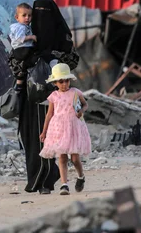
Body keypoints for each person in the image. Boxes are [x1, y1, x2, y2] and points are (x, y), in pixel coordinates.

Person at [14, 0, 79, 194]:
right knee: (32, 136)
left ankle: (48, 180)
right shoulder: (26, 35)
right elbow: (14, 63)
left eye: (46, 14)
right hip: (29, 97)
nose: (41, 20)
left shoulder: (62, 40)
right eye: (37, 13)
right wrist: (27, 59)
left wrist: (51, 58)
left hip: (56, 99)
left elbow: (72, 61)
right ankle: (35, 179)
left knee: (53, 136)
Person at [39, 63, 91, 196]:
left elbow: (85, 104)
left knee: (74, 158)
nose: (64, 84)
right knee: (61, 157)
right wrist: (44, 131)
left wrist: (81, 111)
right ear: (55, 83)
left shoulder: (75, 93)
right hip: (58, 128)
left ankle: (81, 176)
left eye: (66, 80)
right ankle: (64, 184)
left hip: (73, 127)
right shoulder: (54, 96)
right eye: (61, 81)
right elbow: (49, 114)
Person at [8, 3, 37, 91]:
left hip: (23, 49)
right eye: (24, 15)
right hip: (22, 49)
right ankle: (19, 84)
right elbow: (20, 38)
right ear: (17, 17)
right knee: (28, 63)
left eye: (29, 15)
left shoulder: (24, 26)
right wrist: (31, 37)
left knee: (24, 67)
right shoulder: (20, 27)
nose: (27, 18)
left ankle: (19, 84)